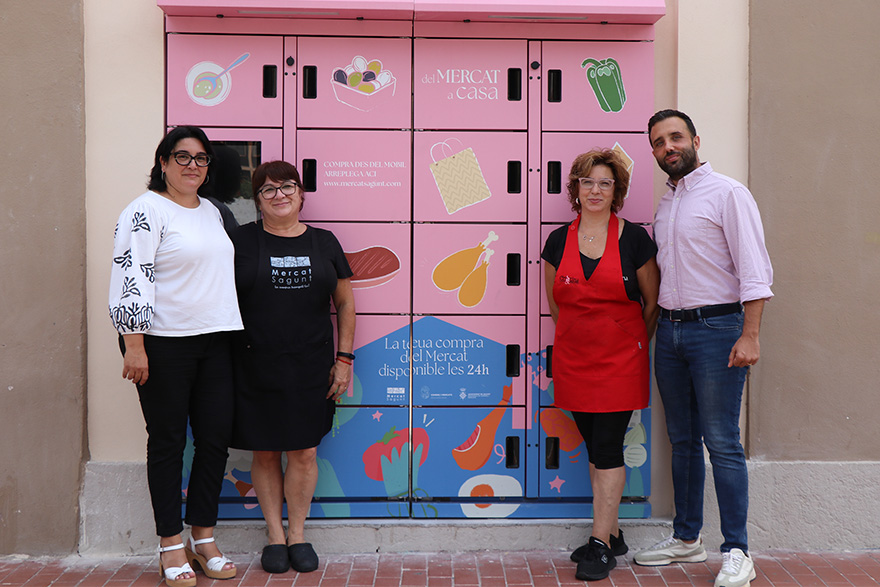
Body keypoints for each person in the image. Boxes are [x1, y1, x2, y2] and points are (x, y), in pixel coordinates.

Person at [634, 109, 773, 587]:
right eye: (658, 142)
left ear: (695, 139)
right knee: (682, 441)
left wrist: (750, 335)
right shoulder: (667, 203)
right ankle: (687, 538)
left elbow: (755, 272)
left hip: (717, 331)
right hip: (670, 334)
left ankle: (738, 549)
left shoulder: (728, 193)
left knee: (722, 442)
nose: (667, 147)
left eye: (675, 137)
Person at [108, 126, 242, 587]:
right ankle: (169, 543)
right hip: (163, 344)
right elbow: (131, 278)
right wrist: (135, 344)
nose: (192, 165)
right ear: (162, 163)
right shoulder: (144, 211)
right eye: (181, 156)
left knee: (214, 440)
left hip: (215, 341)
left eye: (201, 159)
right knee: (167, 443)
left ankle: (203, 538)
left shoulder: (214, 212)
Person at [229, 160, 355, 574]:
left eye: (287, 186)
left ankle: (298, 534)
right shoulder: (239, 242)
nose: (279, 194)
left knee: (304, 450)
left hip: (311, 364)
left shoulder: (324, 242)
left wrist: (344, 359)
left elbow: (345, 303)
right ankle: (274, 535)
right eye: (267, 190)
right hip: (254, 363)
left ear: (301, 195)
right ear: (257, 202)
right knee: (265, 451)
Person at [541, 149, 660, 582]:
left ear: (617, 191)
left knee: (607, 448)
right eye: (587, 182)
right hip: (575, 359)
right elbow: (556, 304)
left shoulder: (635, 239)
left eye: (605, 183)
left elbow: (652, 303)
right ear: (575, 188)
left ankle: (599, 546)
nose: (595, 190)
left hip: (620, 362)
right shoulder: (557, 240)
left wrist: (629, 343)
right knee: (594, 447)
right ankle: (612, 534)